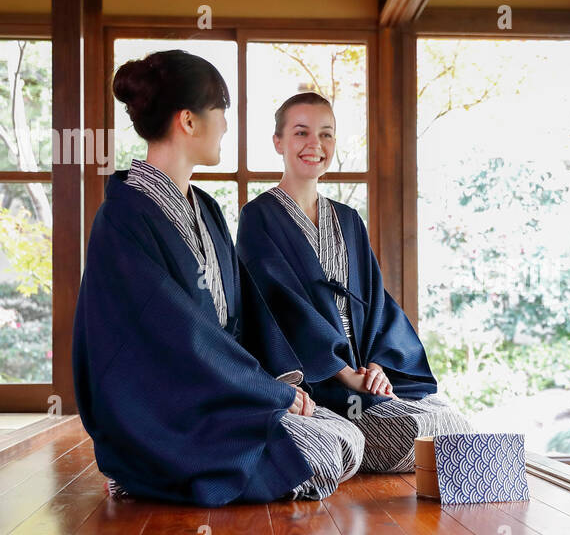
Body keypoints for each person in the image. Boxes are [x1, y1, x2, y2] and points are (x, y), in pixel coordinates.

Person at [73, 52, 363, 506]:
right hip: (168, 412)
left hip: (221, 393)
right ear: (188, 121)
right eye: (221, 112)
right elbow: (174, 337)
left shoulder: (205, 208)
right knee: (324, 449)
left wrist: (279, 386)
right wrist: (266, 394)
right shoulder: (123, 217)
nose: (226, 125)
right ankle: (146, 469)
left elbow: (242, 313)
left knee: (344, 436)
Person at [236, 91, 474, 473]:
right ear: (278, 142)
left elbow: (378, 304)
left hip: (362, 369)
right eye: (301, 133)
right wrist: (343, 374)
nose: (315, 144)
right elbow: (277, 307)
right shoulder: (258, 216)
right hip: (316, 376)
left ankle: (373, 409)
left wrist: (378, 367)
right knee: (406, 432)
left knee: (448, 422)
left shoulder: (348, 219)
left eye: (326, 134)